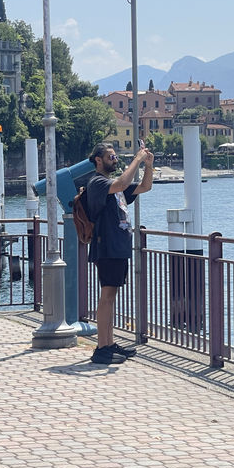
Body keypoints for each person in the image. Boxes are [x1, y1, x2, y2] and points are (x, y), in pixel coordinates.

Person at [86, 141, 154, 365]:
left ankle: (109, 343)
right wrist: (136, 158)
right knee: (106, 297)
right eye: (111, 157)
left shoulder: (115, 186)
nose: (115, 160)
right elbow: (122, 182)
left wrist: (148, 165)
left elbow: (145, 187)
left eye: (115, 157)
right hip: (106, 246)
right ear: (99, 160)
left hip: (118, 247)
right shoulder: (97, 182)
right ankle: (101, 348)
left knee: (111, 296)